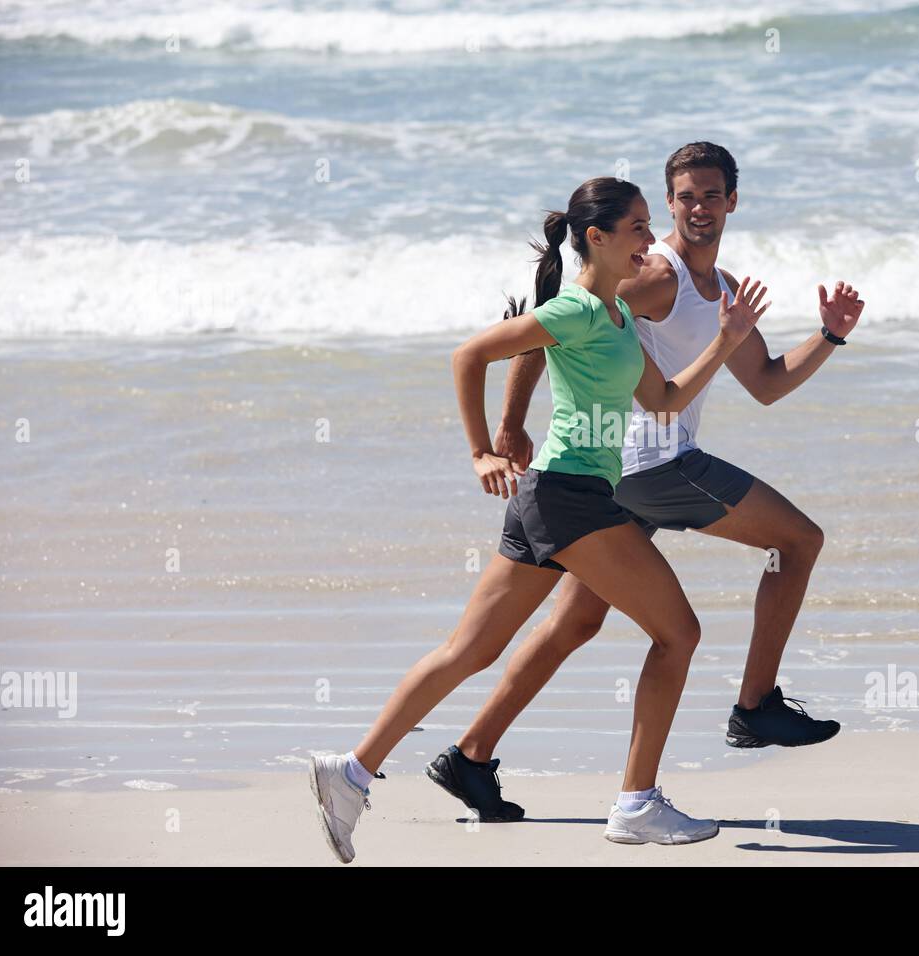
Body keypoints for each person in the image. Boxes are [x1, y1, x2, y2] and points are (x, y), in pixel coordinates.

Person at [308, 175, 770, 861]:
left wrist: (728, 340)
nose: (651, 238)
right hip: (569, 498)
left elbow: (667, 399)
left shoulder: (617, 318)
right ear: (598, 238)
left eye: (649, 224)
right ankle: (637, 803)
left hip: (555, 497)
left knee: (470, 650)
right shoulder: (577, 312)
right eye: (640, 226)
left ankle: (348, 772)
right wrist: (481, 452)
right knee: (679, 633)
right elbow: (470, 354)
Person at [431, 142, 864, 822]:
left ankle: (471, 756)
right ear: (668, 203)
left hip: (612, 479)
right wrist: (510, 426)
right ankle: (756, 706)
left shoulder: (715, 289)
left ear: (732, 202)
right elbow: (555, 322)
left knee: (575, 621)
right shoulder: (656, 276)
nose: (699, 208)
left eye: (711, 195)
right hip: (651, 464)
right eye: (686, 196)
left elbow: (768, 383)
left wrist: (830, 337)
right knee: (798, 541)